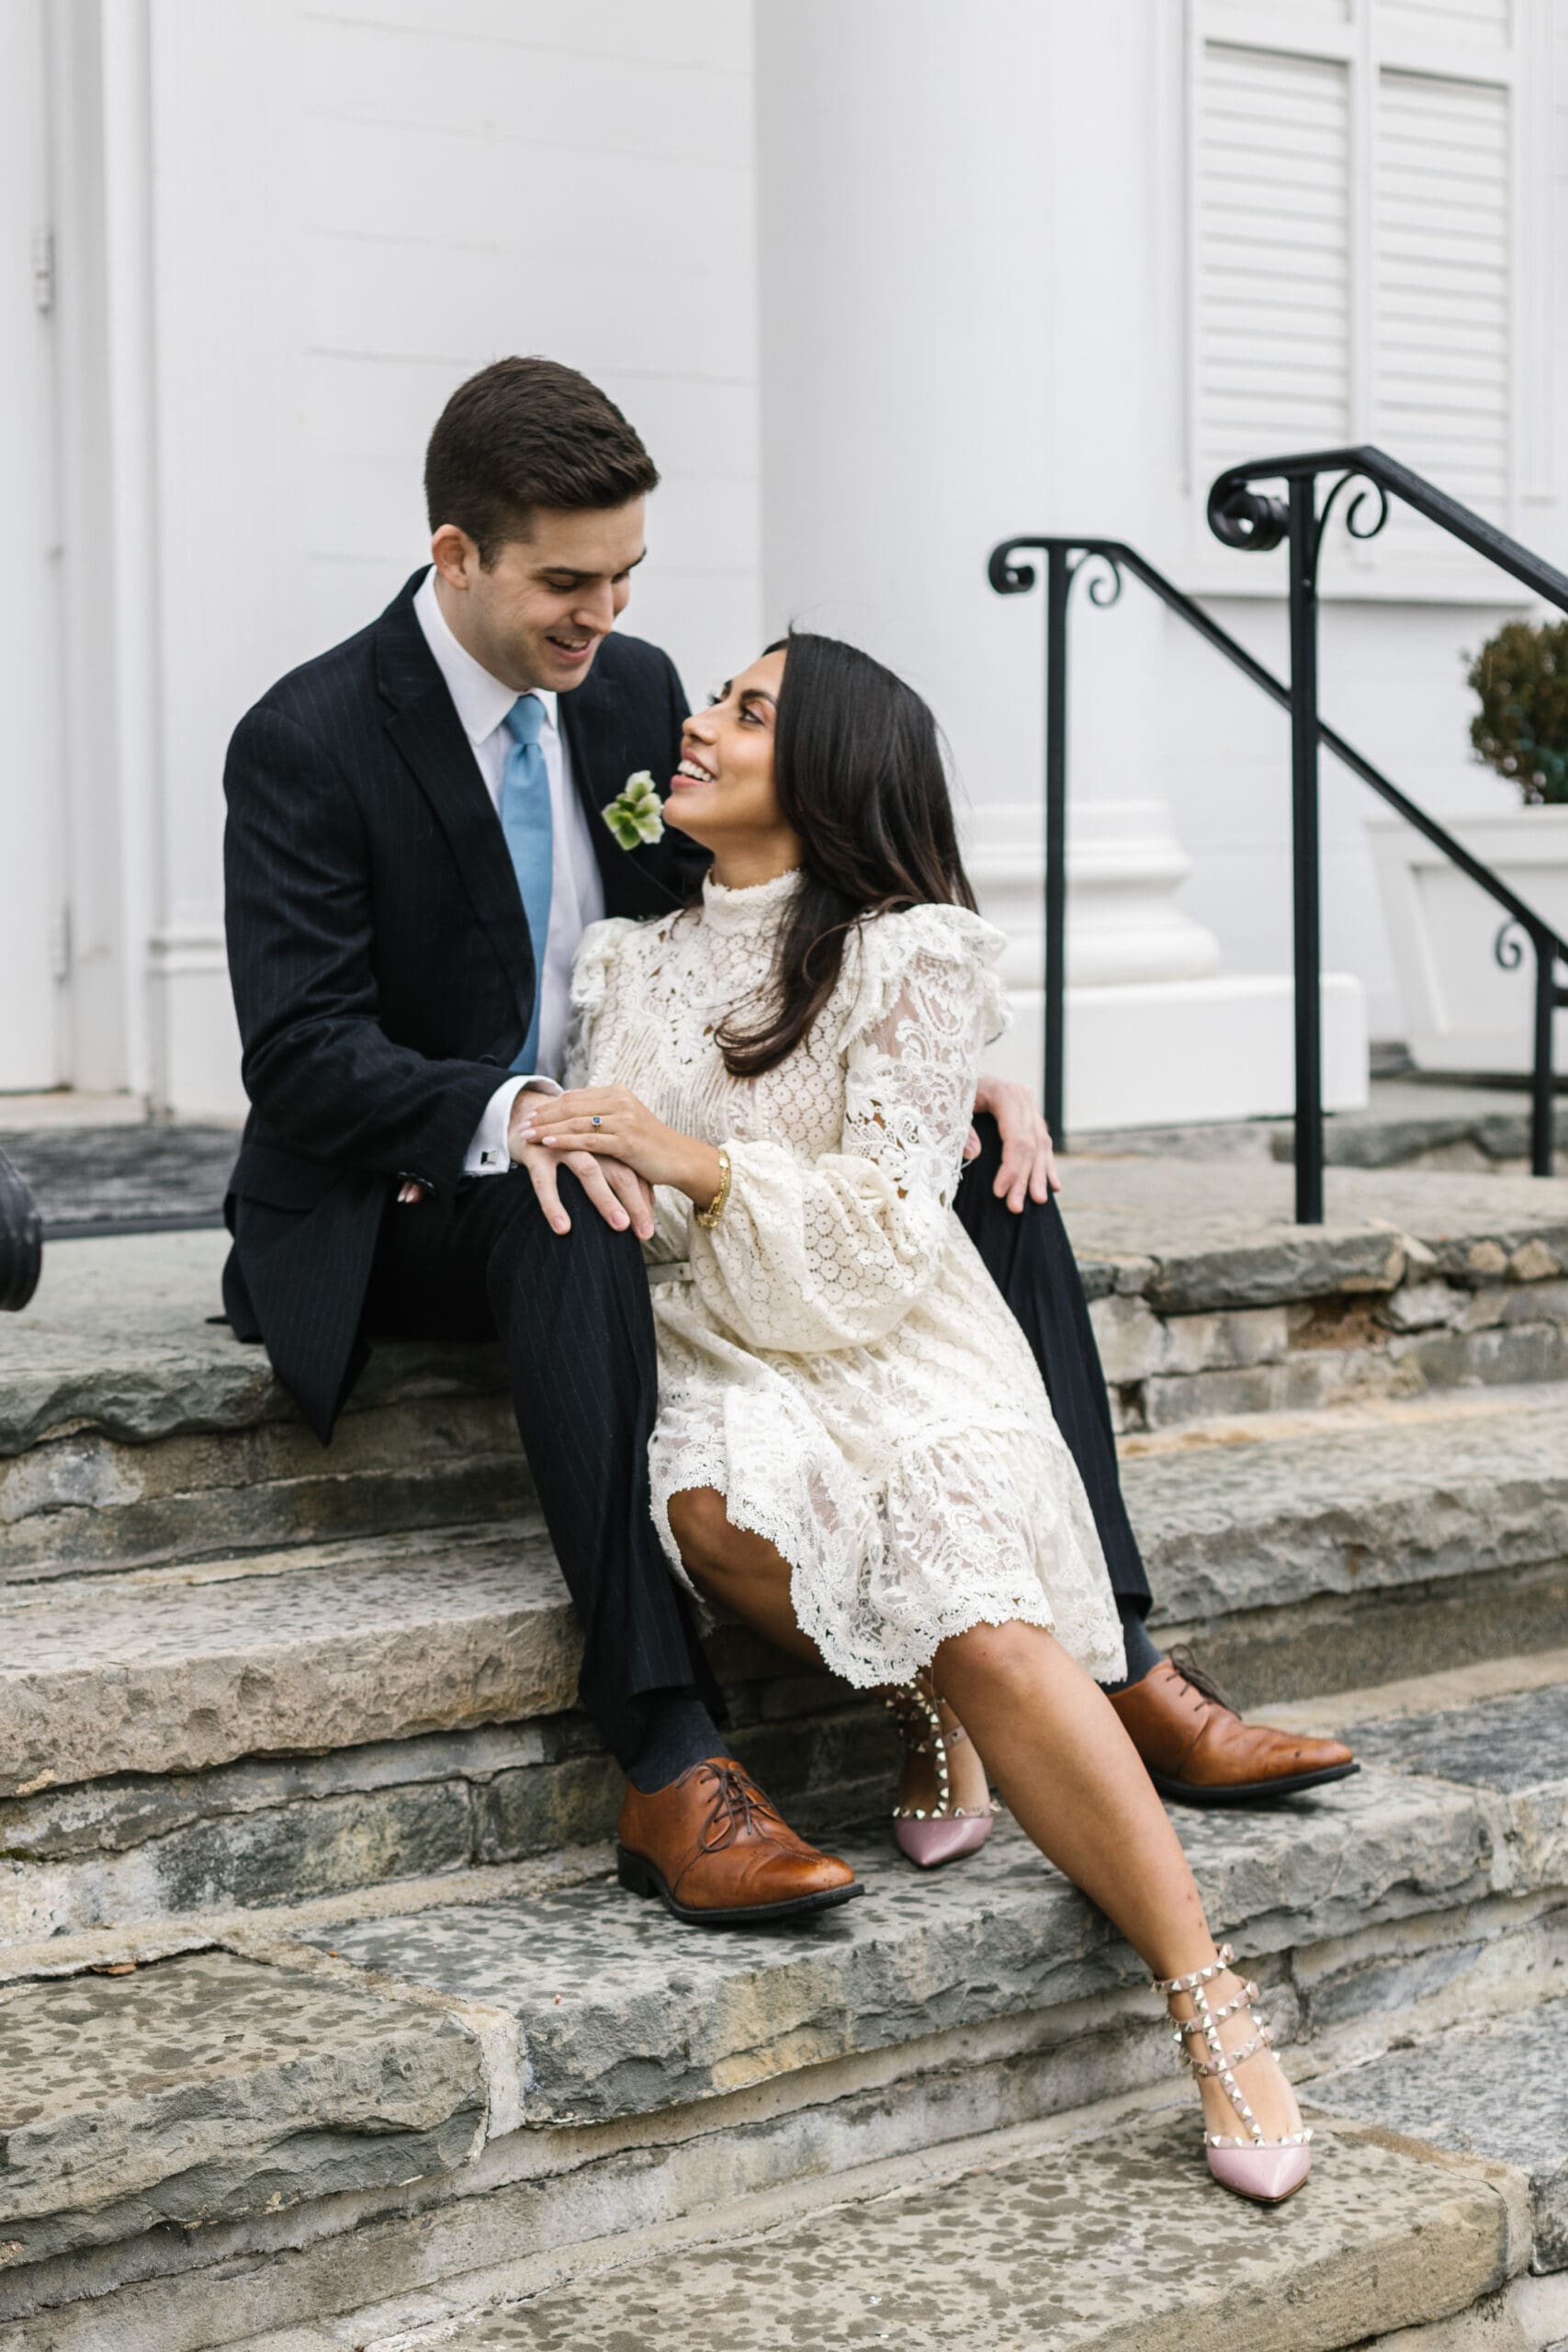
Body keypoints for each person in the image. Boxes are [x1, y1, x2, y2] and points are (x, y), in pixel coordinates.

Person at [221, 356, 1350, 1933]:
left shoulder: (624, 685)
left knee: (989, 1182)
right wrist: (515, 1114)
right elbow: (303, 1054)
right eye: (565, 581)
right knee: (573, 1202)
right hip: (413, 1190)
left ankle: (1126, 1662)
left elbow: (743, 919)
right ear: (454, 555)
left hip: (658, 1144)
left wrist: (933, 1071)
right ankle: (671, 1754)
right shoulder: (309, 737)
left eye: (624, 577)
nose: (601, 617)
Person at [527, 630, 1314, 2204]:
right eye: (719, 701)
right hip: (726, 1351)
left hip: (894, 1343)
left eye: (747, 714)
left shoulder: (910, 951)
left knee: (983, 1602)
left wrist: (696, 1163)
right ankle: (920, 1703)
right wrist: (588, 1143)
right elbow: (635, 1208)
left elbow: (889, 1239)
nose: (696, 724)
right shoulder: (625, 962)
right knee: (714, 1523)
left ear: (822, 775)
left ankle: (1210, 2003)